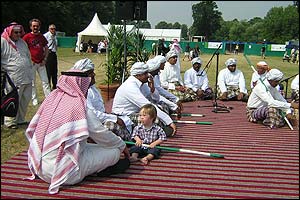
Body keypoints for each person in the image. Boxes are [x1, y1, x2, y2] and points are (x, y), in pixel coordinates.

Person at [25, 68, 130, 194]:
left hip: (39, 166)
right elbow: (99, 132)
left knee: (94, 146)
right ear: (81, 83)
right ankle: (98, 171)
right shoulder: (79, 106)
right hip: (64, 172)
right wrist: (121, 145)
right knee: (114, 152)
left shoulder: (51, 99)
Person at [71, 58, 132, 141]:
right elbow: (93, 114)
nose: (93, 75)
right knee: (113, 126)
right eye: (90, 73)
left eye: (93, 72)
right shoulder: (81, 92)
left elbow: (100, 109)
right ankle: (131, 145)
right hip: (91, 123)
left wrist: (111, 116)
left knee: (130, 119)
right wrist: (114, 118)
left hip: (102, 117)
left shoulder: (92, 88)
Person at [112, 62, 177, 137]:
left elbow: (156, 99)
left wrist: (152, 88)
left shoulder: (142, 83)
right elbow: (147, 105)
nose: (148, 75)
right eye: (146, 73)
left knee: (161, 107)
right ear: (138, 75)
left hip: (138, 111)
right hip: (125, 115)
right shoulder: (130, 86)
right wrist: (169, 122)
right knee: (155, 119)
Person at [1, 22, 33, 129]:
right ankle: (10, 121)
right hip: (13, 77)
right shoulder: (3, 42)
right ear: (10, 32)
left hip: (27, 77)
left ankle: (20, 119)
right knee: (12, 99)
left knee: (25, 99)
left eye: (20, 32)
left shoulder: (22, 42)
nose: (18, 34)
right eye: (16, 32)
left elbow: (28, 56)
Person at [23, 18, 51, 106]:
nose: (35, 27)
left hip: (41, 63)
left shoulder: (41, 37)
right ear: (31, 27)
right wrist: (28, 60)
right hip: (32, 63)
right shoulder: (27, 37)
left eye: (37, 26)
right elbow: (23, 49)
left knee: (45, 81)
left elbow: (46, 48)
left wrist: (45, 59)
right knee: (32, 82)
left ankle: (49, 99)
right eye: (34, 26)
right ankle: (34, 99)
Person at [44, 24, 58, 90]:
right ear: (49, 29)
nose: (53, 30)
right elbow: (43, 45)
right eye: (52, 29)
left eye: (54, 29)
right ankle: (48, 86)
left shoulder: (55, 36)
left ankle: (55, 86)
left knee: (54, 71)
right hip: (48, 54)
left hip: (54, 54)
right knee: (48, 71)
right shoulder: (46, 35)